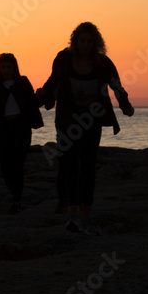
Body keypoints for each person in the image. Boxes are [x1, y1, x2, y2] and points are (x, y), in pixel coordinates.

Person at [36, 22, 134, 236]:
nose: (85, 45)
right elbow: (52, 82)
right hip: (67, 121)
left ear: (95, 43)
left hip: (91, 121)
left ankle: (86, 217)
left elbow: (116, 85)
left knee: (88, 168)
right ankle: (72, 216)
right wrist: (35, 102)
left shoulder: (103, 63)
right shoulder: (63, 59)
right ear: (75, 41)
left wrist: (124, 105)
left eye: (90, 42)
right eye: (82, 41)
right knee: (70, 166)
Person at [0, 53, 43, 214]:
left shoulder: (22, 82)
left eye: (9, 67)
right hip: (4, 127)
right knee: (5, 164)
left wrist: (43, 99)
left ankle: (17, 200)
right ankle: (14, 191)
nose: (6, 70)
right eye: (3, 67)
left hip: (21, 127)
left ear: (14, 67)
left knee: (18, 164)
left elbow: (31, 102)